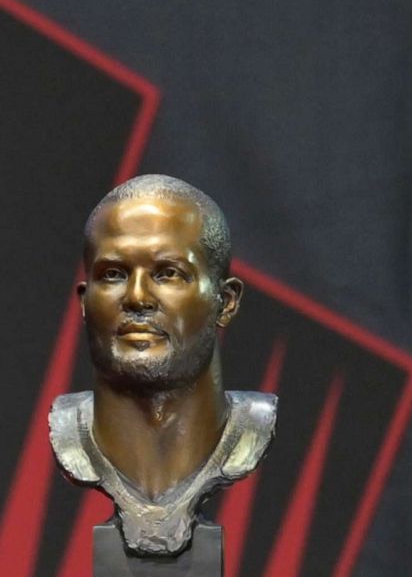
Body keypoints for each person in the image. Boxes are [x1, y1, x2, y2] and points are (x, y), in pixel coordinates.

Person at [49, 174, 276, 555]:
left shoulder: (252, 429)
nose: (137, 297)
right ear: (85, 302)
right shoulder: (69, 433)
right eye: (114, 275)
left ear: (227, 301)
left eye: (168, 273)